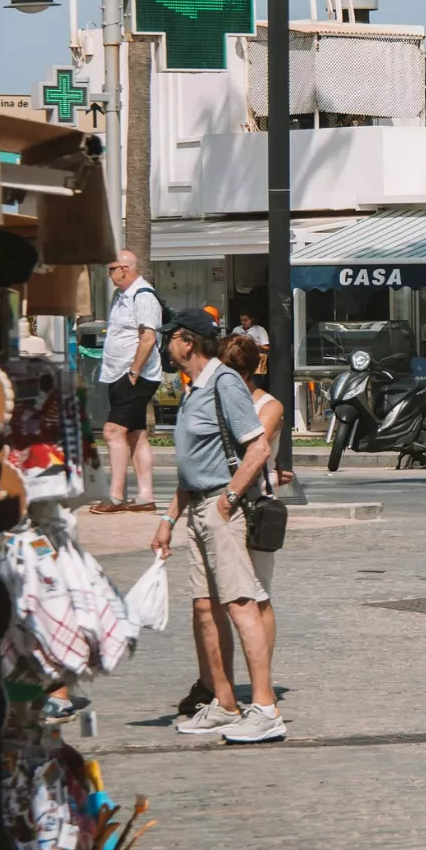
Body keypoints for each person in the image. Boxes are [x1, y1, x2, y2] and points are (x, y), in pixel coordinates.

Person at [149, 309, 286, 744]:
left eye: (170, 336)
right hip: (197, 508)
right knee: (204, 606)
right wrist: (169, 518)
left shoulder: (224, 382)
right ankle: (225, 703)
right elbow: (193, 464)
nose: (165, 343)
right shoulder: (195, 388)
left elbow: (258, 448)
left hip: (220, 509)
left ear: (187, 342)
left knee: (241, 604)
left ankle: (265, 708)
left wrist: (228, 500)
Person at [90, 251, 161, 514]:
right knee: (135, 433)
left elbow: (148, 338)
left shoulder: (143, 296)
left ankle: (116, 496)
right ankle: (146, 496)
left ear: (124, 268)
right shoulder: (121, 296)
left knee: (112, 431)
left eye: (111, 269)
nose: (109, 275)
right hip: (119, 372)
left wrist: (133, 372)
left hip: (135, 375)